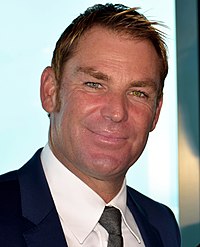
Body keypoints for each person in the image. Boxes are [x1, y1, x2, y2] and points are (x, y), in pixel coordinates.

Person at [0, 3, 181, 247]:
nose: (117, 112)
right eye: (94, 84)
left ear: (156, 112)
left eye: (138, 93)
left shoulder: (162, 225)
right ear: (50, 91)